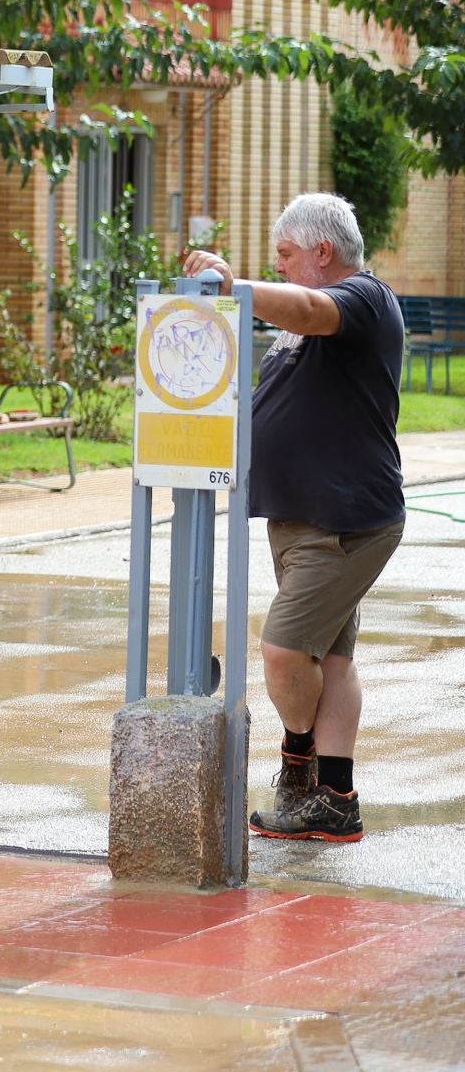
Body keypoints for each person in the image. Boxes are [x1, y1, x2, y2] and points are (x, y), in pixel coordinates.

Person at [183, 192, 404, 844]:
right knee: (329, 660)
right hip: (308, 516)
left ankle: (298, 764)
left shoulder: (364, 299)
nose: (279, 268)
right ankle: (335, 799)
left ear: (322, 252)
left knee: (284, 650)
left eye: (284, 256)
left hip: (344, 520)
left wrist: (234, 287)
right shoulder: (315, 322)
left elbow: (310, 305)